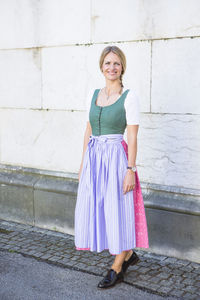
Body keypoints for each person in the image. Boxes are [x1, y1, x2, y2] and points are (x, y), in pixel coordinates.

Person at [74, 45, 149, 289]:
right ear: (101, 66)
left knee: (119, 209)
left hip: (117, 158)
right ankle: (127, 253)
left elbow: (133, 137)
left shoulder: (130, 97)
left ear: (122, 67)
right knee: (101, 208)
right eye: (107, 63)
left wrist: (131, 170)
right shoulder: (93, 94)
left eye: (116, 63)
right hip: (95, 159)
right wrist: (83, 163)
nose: (112, 67)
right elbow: (88, 130)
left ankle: (118, 266)